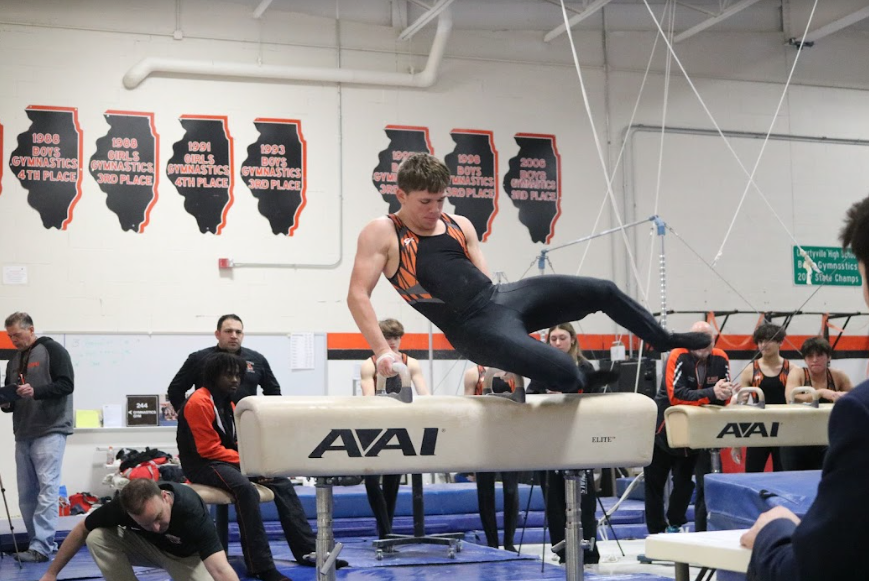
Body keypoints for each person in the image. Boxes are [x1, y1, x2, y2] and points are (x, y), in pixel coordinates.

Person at [346, 153, 711, 394]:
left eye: (441, 199)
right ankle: (580, 379)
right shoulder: (384, 231)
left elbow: (485, 284)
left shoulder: (458, 223)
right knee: (564, 372)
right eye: (425, 202)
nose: (434, 209)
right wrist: (381, 351)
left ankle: (661, 338)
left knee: (603, 290)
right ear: (400, 194)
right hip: (471, 329)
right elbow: (358, 294)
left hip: (500, 300)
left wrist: (511, 347)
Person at [741, 195, 869, 580]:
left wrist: (776, 530)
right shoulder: (757, 371)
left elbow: (815, 570)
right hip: (779, 431)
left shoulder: (851, 404)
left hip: (800, 432)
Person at [177, 352, 342, 580]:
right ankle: (261, 566)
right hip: (202, 465)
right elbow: (208, 449)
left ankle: (307, 551)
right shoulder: (199, 401)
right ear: (214, 376)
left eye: (238, 375)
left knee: (280, 480)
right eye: (229, 375)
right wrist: (248, 465)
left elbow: (237, 443)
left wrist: (259, 466)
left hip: (225, 461)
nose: (235, 380)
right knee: (245, 489)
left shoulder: (230, 403)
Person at [37, 478, 240, 581]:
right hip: (148, 548)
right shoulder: (123, 507)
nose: (156, 528)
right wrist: (51, 574)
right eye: (146, 524)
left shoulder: (191, 511)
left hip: (186, 558)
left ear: (165, 497)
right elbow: (82, 528)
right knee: (97, 537)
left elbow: (220, 569)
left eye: (158, 518)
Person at [644, 321, 732, 535]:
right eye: (698, 338)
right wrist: (712, 393)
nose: (703, 343)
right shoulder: (678, 355)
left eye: (707, 339)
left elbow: (724, 399)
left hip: (692, 431)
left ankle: (675, 523)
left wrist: (723, 393)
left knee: (684, 483)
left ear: (713, 340)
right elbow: (676, 396)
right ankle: (655, 533)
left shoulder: (721, 358)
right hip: (663, 429)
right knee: (655, 484)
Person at [1, 312, 74, 563]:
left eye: (18, 335)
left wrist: (37, 391)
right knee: (26, 494)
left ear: (31, 330)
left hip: (50, 428)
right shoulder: (14, 361)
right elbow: (12, 396)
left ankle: (42, 546)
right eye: (10, 337)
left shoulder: (53, 350)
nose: (14, 341)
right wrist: (6, 401)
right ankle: (36, 544)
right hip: (23, 431)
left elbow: (67, 385)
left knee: (47, 489)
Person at [526, 323, 600, 564]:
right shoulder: (540, 367)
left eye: (562, 338)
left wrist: (567, 399)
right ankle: (562, 549)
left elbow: (596, 402)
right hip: (549, 441)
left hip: (580, 439)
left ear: (572, 340)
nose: (557, 343)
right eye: (553, 339)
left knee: (584, 498)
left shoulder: (585, 367)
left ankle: (587, 547)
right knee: (555, 499)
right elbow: (529, 400)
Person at [359, 319, 429, 539]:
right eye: (387, 337)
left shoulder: (412, 364)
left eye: (396, 337)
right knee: (371, 480)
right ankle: (385, 531)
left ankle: (385, 535)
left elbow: (425, 396)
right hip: (374, 425)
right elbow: (369, 399)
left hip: (400, 427)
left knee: (392, 483)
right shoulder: (369, 365)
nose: (392, 342)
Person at [463, 364, 523, 551]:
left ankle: (509, 542)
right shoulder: (474, 374)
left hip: (510, 435)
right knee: (485, 492)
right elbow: (467, 408)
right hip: (484, 436)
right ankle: (492, 543)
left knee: (511, 491)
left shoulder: (514, 372)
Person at [167, 314, 280, 411]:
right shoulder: (199, 358)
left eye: (238, 332)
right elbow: (175, 390)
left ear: (242, 335)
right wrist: (186, 415)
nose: (234, 336)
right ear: (218, 334)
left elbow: (273, 391)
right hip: (209, 423)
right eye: (228, 331)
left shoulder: (257, 359)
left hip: (245, 424)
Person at [781, 336, 854, 471]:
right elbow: (790, 398)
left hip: (825, 438)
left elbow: (856, 399)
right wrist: (819, 393)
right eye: (810, 356)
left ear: (828, 357)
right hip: (797, 439)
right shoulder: (798, 373)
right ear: (805, 359)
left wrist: (844, 396)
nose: (814, 360)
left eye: (819, 355)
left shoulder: (837, 376)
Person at [736, 323, 789, 473]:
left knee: (783, 475)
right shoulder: (749, 371)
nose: (763, 345)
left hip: (783, 430)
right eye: (760, 341)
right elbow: (740, 409)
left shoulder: (792, 370)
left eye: (768, 340)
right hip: (758, 429)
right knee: (752, 474)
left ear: (780, 342)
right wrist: (736, 443)